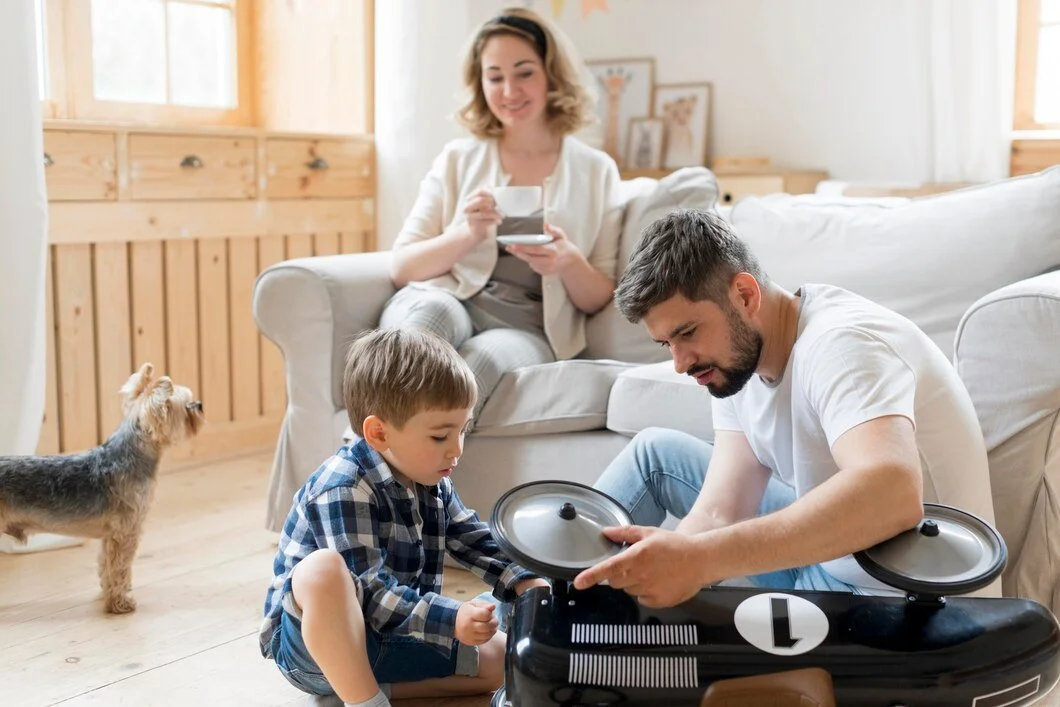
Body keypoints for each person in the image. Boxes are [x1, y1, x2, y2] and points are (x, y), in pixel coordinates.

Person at [572, 209, 994, 608]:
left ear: (744, 294)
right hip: (834, 555)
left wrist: (701, 559)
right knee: (656, 454)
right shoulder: (739, 365)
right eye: (668, 344)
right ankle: (537, 595)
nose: (680, 363)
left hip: (904, 594)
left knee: (694, 657)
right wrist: (679, 560)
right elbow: (722, 510)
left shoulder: (841, 346)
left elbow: (893, 494)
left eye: (687, 333)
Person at [259, 329, 547, 707]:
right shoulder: (343, 487)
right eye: (441, 436)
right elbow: (372, 593)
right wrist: (452, 617)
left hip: (389, 635)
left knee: (509, 664)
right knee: (323, 571)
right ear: (379, 433)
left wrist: (527, 581)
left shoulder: (430, 478)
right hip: (314, 652)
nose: (457, 449)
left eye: (463, 430)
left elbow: (475, 540)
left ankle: (357, 691)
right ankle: (365, 701)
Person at [382, 7, 622, 419]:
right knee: (427, 322)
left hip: (526, 327)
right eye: (495, 77)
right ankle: (373, 467)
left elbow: (601, 295)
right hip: (452, 297)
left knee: (476, 365)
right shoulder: (458, 159)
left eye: (524, 72)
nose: (509, 90)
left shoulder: (595, 169)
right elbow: (402, 266)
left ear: (551, 75)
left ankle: (403, 478)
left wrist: (567, 261)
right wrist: (466, 234)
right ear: (481, 84)